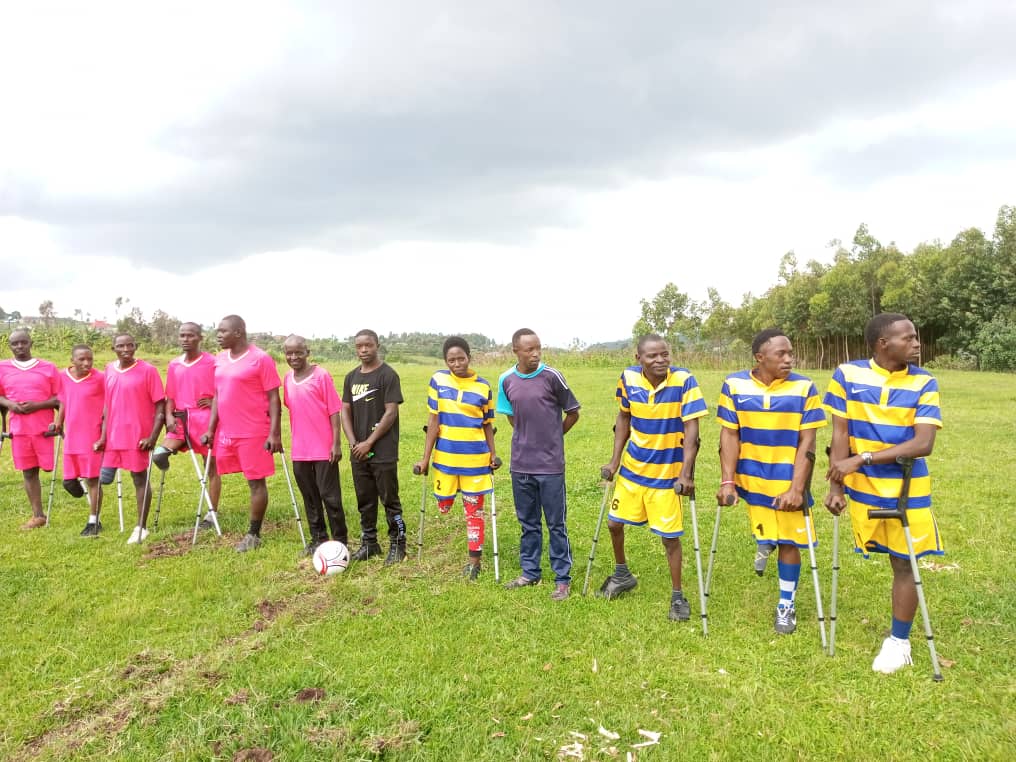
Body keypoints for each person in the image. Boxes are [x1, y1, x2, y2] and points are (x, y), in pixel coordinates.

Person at [824, 313, 944, 674]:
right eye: (908, 338)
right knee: (888, 556)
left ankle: (899, 643)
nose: (917, 343)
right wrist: (836, 484)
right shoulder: (847, 375)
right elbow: (840, 433)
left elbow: (923, 443)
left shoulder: (924, 381)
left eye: (916, 337)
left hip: (908, 487)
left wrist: (862, 458)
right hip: (863, 486)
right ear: (883, 343)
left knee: (905, 562)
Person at [716, 329, 826, 634]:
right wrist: (727, 482)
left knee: (791, 542)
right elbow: (729, 434)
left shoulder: (804, 387)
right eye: (782, 354)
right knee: (765, 527)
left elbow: (808, 442)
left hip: (787, 481)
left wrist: (797, 489)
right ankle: (766, 541)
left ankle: (785, 604)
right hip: (752, 478)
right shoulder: (734, 385)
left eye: (791, 353)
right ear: (760, 357)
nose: (789, 359)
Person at [599, 334, 707, 620]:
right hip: (633, 469)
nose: (660, 360)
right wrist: (614, 461)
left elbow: (692, 430)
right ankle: (622, 574)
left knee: (669, 538)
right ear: (639, 358)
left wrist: (686, 474)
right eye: (652, 356)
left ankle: (677, 596)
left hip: (667, 474)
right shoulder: (628, 378)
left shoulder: (684, 380)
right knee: (613, 524)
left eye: (664, 354)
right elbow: (623, 417)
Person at [497, 328, 580, 600]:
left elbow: (573, 413)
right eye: (529, 350)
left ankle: (562, 579)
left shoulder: (552, 376)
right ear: (516, 351)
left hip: (550, 466)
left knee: (556, 524)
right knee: (528, 523)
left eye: (538, 349)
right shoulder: (506, 380)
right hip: (520, 465)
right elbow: (511, 416)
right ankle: (530, 572)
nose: (535, 354)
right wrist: (527, 436)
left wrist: (554, 436)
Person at [414, 337, 500, 580]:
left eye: (461, 358)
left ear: (469, 358)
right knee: (444, 506)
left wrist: (493, 454)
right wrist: (425, 459)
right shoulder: (438, 380)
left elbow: (487, 424)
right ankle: (447, 499)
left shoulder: (483, 387)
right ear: (445, 361)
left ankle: (474, 563)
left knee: (474, 512)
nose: (457, 364)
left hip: (476, 461)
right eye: (451, 360)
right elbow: (433, 420)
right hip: (446, 460)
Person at [203, 315, 282, 552]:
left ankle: (254, 534)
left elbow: (274, 398)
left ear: (238, 332)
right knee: (221, 472)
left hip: (254, 431)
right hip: (227, 431)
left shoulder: (261, 359)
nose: (218, 335)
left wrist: (274, 433)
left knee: (256, 482)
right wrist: (211, 429)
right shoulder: (220, 359)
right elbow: (218, 395)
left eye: (223, 331)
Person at [340, 329, 407, 565]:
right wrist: (353, 443)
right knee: (365, 500)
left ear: (377, 345)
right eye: (359, 346)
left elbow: (391, 412)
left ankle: (398, 544)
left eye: (368, 345)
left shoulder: (388, 375)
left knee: (390, 500)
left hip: (383, 451)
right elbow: (345, 410)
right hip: (358, 451)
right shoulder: (351, 377)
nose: (364, 350)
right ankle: (370, 543)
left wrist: (369, 442)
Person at [282, 334, 348, 555]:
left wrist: (336, 443)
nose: (293, 357)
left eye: (298, 352)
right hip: (300, 450)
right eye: (289, 353)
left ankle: (340, 541)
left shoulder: (321, 376)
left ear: (307, 353)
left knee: (330, 497)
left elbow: (334, 410)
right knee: (310, 497)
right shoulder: (287, 379)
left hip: (324, 448)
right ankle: (318, 539)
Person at [99, 333, 166, 544]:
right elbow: (107, 405)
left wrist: (152, 436)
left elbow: (160, 406)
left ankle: (141, 527)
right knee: (101, 477)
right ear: (113, 348)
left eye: (130, 345)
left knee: (139, 478)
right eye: (121, 346)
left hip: (137, 435)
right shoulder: (109, 369)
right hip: (114, 435)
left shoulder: (148, 370)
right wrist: (103, 436)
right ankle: (94, 519)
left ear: (136, 346)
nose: (126, 349)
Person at [155, 322, 220, 529]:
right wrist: (168, 417)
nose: (185, 339)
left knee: (210, 467)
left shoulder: (213, 362)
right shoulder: (174, 364)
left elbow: (224, 389)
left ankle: (211, 513)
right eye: (182, 335)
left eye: (190, 335)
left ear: (200, 337)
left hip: (205, 419)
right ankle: (167, 457)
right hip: (181, 419)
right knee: (159, 454)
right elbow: (170, 396)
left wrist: (214, 401)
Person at [0, 329, 60, 529]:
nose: (19, 347)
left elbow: (60, 398)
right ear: (10, 346)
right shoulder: (2, 367)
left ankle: (77, 488)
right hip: (19, 429)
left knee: (48, 467)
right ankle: (38, 515)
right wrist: (10, 404)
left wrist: (38, 405)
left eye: (23, 342)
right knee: (28, 471)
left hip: (44, 428)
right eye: (15, 343)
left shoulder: (48, 368)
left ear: (31, 343)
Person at [54, 344, 107, 536]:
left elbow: (109, 405)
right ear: (72, 360)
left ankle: (94, 521)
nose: (87, 363)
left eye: (90, 359)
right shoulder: (63, 376)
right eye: (82, 359)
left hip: (92, 435)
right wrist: (58, 422)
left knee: (92, 479)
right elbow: (63, 401)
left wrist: (104, 435)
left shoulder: (100, 378)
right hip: (71, 436)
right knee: (69, 481)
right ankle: (81, 494)